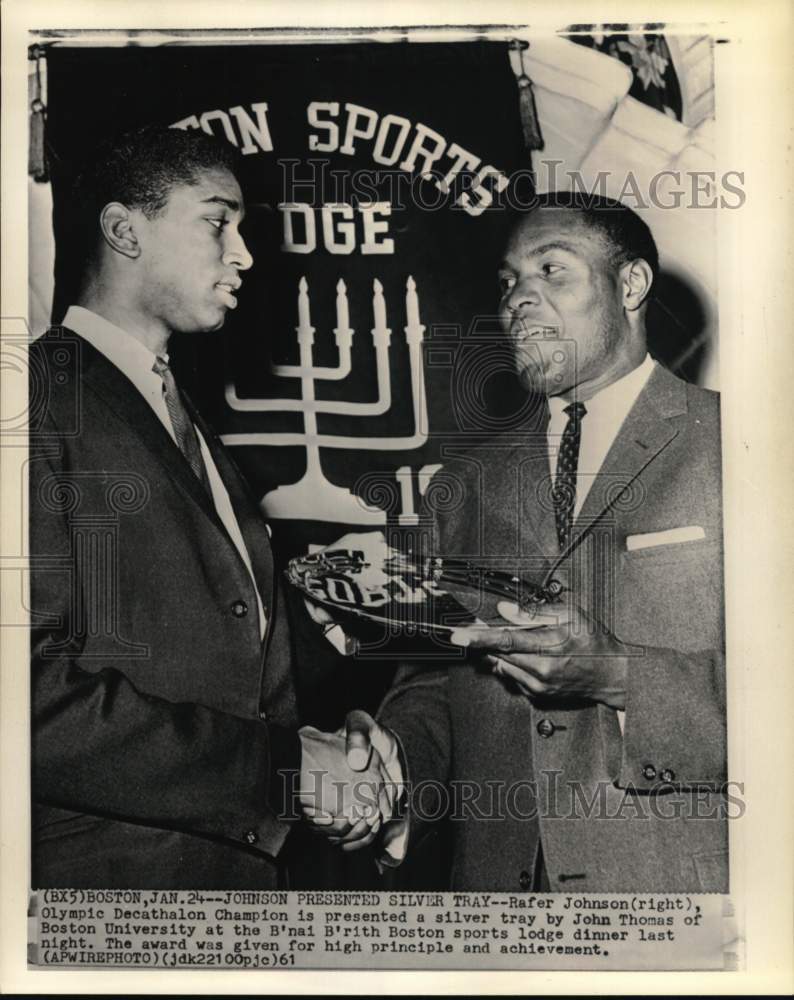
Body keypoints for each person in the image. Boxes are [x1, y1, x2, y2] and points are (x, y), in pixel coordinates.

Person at [310, 192, 728, 893]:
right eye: (508, 284)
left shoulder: (745, 445)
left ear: (630, 284)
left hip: (677, 907)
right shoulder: (463, 485)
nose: (518, 301)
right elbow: (435, 683)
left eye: (551, 272)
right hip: (497, 910)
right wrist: (392, 765)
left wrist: (617, 675)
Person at [29, 125, 393, 889]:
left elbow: (235, 658)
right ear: (124, 229)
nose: (244, 256)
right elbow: (21, 698)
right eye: (216, 221)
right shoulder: (30, 400)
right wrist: (288, 769)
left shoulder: (180, 415)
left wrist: (347, 736)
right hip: (110, 896)